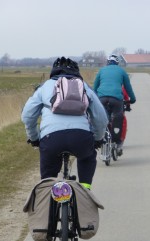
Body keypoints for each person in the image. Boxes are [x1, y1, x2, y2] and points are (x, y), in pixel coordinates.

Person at [21, 57, 108, 190]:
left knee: (47, 181)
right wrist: (97, 138)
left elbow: (28, 115)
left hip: (51, 138)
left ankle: (48, 197)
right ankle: (85, 190)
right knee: (87, 158)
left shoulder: (44, 87)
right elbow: (101, 118)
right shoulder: (84, 86)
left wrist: (34, 137)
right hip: (81, 137)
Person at [93, 54, 136, 154]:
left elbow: (95, 87)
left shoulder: (101, 70)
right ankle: (117, 140)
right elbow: (128, 88)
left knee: (103, 118)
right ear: (117, 63)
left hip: (102, 98)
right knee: (118, 118)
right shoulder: (122, 71)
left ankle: (101, 137)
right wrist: (132, 99)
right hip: (116, 99)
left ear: (107, 62)